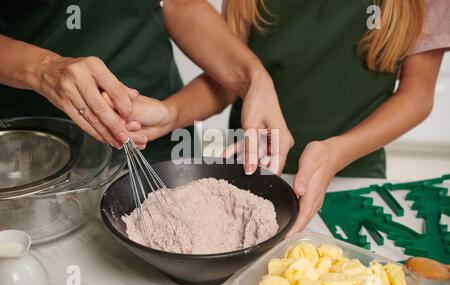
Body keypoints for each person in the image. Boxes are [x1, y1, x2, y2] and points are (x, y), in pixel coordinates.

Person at [127, 0, 449, 233]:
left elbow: (417, 96)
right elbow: (229, 81)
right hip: (252, 180)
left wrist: (337, 152)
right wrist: (172, 113)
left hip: (351, 181)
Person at [0, 0, 293, 166]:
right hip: (35, 151)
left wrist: (253, 78)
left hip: (156, 140)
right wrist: (44, 70)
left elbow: (180, 4)